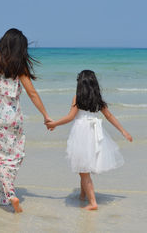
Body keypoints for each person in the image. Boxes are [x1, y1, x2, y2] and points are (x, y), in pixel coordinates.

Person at [0, 28, 51, 213]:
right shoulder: (19, 65)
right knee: (14, 155)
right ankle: (7, 195)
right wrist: (45, 115)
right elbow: (32, 93)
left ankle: (2, 196)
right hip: (12, 117)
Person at [46, 70, 132, 210]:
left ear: (81, 84)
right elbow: (109, 116)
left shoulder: (77, 99)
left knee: (83, 170)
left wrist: (54, 124)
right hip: (94, 134)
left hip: (82, 133)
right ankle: (82, 195)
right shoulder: (98, 99)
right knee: (84, 167)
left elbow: (70, 117)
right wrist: (123, 131)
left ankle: (93, 203)